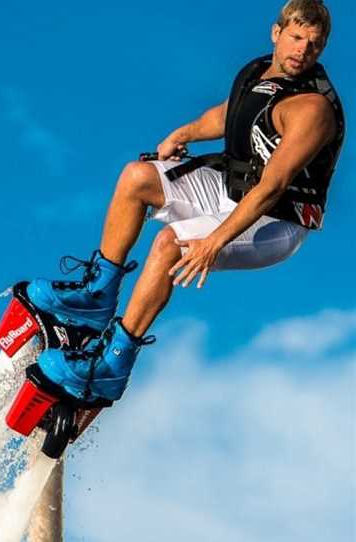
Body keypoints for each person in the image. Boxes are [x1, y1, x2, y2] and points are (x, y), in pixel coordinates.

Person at [27, 0, 345, 404]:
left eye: (314, 45)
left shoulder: (312, 108)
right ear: (276, 33)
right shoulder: (259, 70)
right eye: (297, 38)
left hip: (276, 220)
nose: (303, 50)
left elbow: (272, 187)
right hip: (234, 189)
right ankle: (96, 296)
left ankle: (109, 367)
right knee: (136, 177)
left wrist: (213, 242)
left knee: (169, 243)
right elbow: (234, 113)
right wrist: (184, 133)